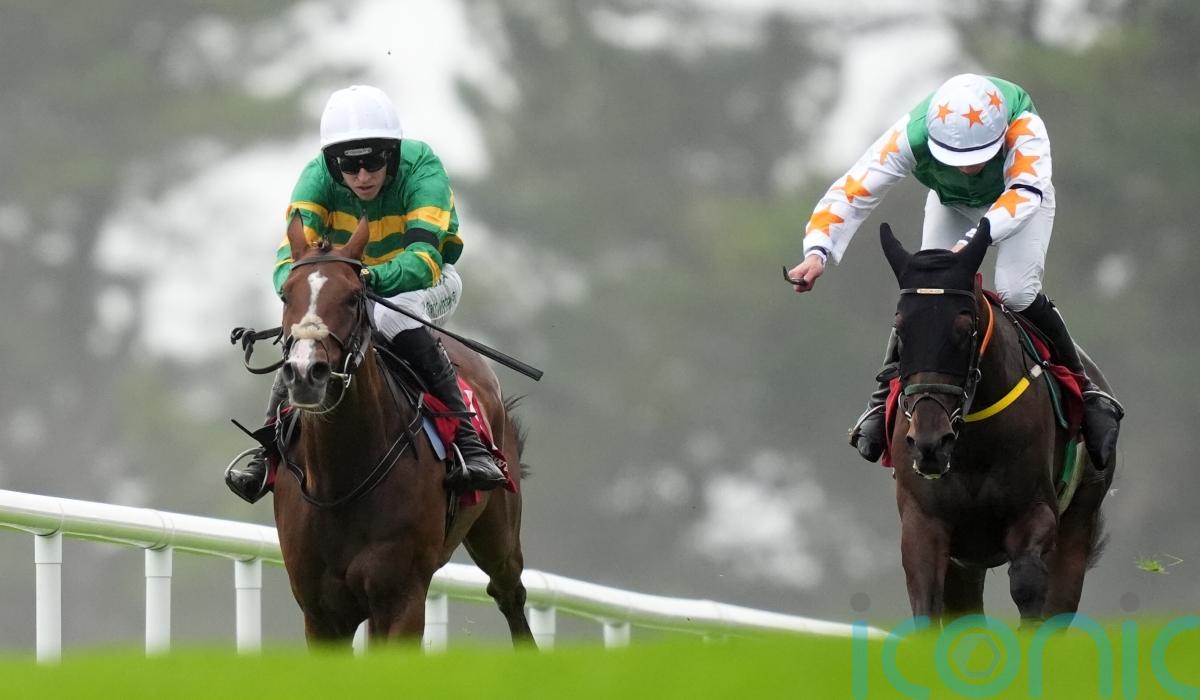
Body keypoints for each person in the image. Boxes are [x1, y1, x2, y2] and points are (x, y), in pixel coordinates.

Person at [785, 73, 1124, 469]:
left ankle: (1086, 391)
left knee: (1016, 291)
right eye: (956, 159)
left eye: (978, 156)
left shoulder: (1024, 125)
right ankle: (880, 403)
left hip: (1019, 199)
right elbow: (854, 188)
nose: (967, 169)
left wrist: (968, 245)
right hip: (951, 205)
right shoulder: (912, 133)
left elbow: (1025, 192)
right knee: (928, 292)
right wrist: (818, 250)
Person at [225, 84, 507, 503]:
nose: (362, 176)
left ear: (392, 154)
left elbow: (423, 261)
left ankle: (469, 442)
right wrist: (314, 291)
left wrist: (363, 280)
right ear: (331, 163)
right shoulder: (315, 178)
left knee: (391, 317)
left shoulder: (422, 168)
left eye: (373, 161)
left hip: (425, 283)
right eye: (349, 165)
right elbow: (289, 264)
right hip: (348, 287)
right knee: (306, 327)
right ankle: (268, 452)